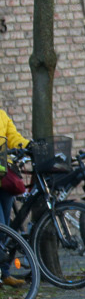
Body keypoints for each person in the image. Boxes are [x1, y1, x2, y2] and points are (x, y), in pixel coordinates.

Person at [0, 109, 29, 287]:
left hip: (4, 177)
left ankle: (4, 273)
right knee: (1, 226)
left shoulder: (1, 115)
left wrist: (29, 146)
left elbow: (15, 138)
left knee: (6, 229)